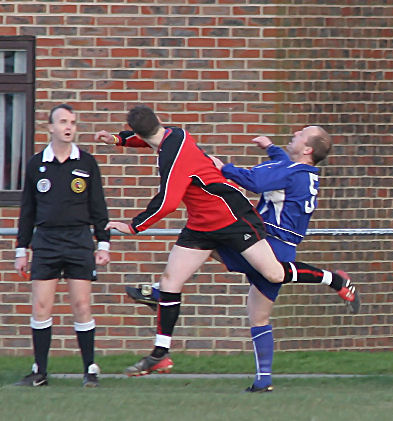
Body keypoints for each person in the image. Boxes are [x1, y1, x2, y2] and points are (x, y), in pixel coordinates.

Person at [94, 105, 358, 378]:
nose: (295, 133)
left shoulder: (292, 172)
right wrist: (119, 139)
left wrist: (133, 226)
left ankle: (334, 280)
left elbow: (173, 200)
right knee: (221, 299)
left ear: (308, 151)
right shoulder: (176, 135)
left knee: (274, 274)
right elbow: (151, 136)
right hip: (207, 224)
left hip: (252, 228)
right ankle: (164, 353)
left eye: (301, 134)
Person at [14, 103, 111, 388]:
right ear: (51, 127)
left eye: (73, 122)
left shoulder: (87, 163)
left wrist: (102, 244)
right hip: (45, 242)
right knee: (41, 306)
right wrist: (22, 249)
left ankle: (89, 369)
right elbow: (27, 211)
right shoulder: (36, 164)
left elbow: (98, 208)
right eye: (63, 122)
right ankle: (40, 371)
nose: (69, 127)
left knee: (81, 305)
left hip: (79, 240)